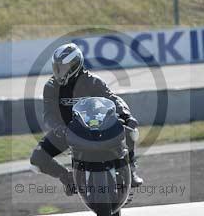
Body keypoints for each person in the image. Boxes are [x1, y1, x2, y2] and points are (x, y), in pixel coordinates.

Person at [30, 43, 144, 196]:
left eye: (62, 68)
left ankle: (131, 168)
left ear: (75, 65)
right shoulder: (51, 86)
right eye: (56, 68)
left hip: (96, 126)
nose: (58, 72)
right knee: (37, 158)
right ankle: (68, 178)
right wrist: (59, 128)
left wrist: (126, 116)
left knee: (129, 131)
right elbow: (48, 114)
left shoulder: (93, 81)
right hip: (67, 131)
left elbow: (112, 99)